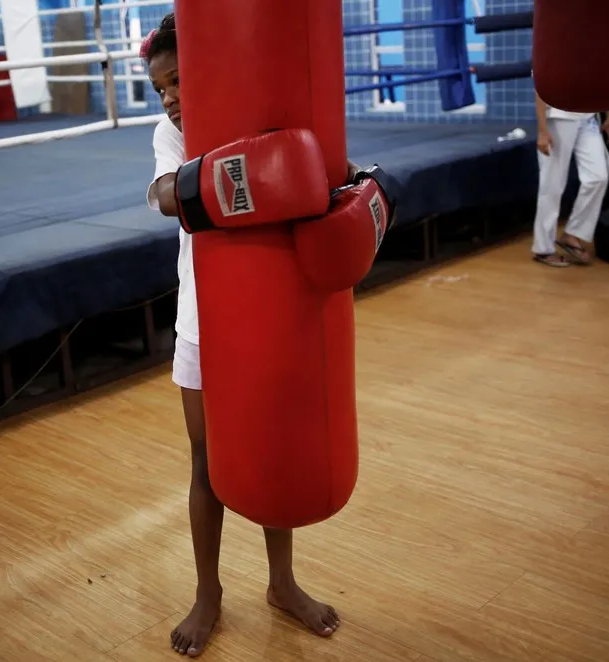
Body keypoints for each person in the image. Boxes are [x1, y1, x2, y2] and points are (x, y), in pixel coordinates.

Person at [143, 12, 359, 658]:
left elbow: (329, 174)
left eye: (179, 81)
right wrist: (234, 172)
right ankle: (208, 594)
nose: (172, 98)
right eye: (161, 89)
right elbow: (160, 195)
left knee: (273, 449)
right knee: (206, 463)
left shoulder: (255, 112)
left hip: (265, 316)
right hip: (201, 324)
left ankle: (281, 584)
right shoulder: (174, 134)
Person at [532, 90, 609, 267]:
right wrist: (542, 130)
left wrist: (608, 112)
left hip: (587, 117)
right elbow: (540, 87)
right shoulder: (552, 60)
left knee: (598, 178)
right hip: (558, 116)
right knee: (552, 184)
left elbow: (598, 81)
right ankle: (543, 249)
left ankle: (572, 234)